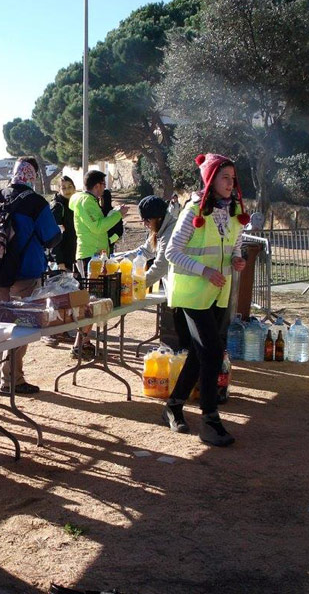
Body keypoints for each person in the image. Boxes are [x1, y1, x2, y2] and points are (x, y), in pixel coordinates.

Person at [163, 153, 249, 446]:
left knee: (203, 354)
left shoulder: (233, 209)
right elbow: (172, 252)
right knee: (212, 352)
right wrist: (204, 270)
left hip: (218, 293)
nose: (230, 183)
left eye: (233, 178)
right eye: (225, 177)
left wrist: (238, 259)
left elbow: (236, 242)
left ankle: (174, 406)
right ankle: (210, 419)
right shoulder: (192, 211)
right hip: (191, 292)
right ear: (211, 180)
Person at [0, 157, 62, 393]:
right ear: (33, 176)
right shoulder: (36, 202)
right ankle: (12, 379)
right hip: (26, 272)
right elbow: (50, 237)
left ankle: (0, 374)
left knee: (0, 325)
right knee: (21, 327)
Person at [69, 170, 128, 358]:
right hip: (90, 256)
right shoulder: (87, 202)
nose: (104, 188)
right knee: (92, 302)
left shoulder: (85, 201)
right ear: (98, 185)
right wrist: (117, 215)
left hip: (92, 255)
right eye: (103, 184)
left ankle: (83, 343)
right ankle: (79, 345)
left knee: (92, 301)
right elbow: (98, 227)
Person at [120, 195, 178, 291]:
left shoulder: (170, 233)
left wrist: (133, 287)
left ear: (158, 218)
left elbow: (160, 267)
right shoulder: (159, 228)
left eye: (147, 220)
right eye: (143, 220)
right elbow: (144, 251)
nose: (144, 224)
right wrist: (116, 259)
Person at [50, 176, 77, 272]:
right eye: (64, 188)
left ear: (74, 188)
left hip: (74, 257)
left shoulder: (76, 204)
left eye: (70, 186)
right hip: (63, 261)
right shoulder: (57, 206)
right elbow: (53, 235)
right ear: (58, 190)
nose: (67, 190)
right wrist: (59, 261)